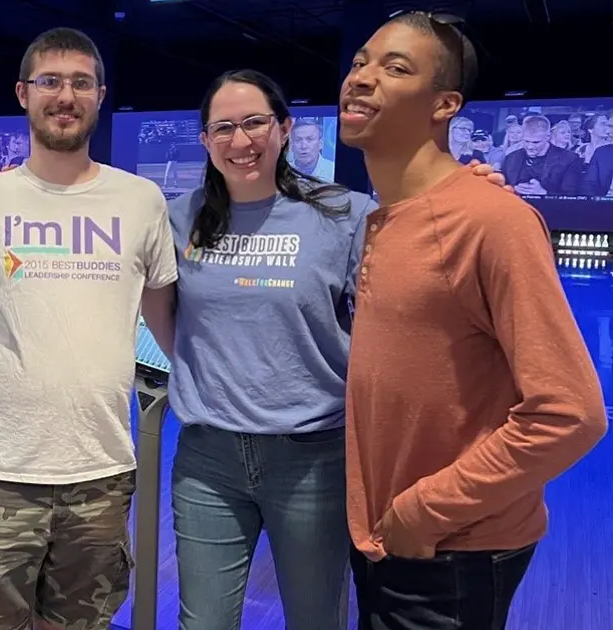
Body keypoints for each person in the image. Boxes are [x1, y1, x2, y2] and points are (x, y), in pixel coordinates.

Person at [165, 69, 509, 630]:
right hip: (208, 456)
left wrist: (475, 197)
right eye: (222, 127)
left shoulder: (345, 214)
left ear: (285, 129)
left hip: (314, 458)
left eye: (255, 122)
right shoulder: (177, 217)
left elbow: (411, 299)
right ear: (205, 140)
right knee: (201, 623)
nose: (240, 140)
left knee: (315, 619)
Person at [339, 12, 607, 629]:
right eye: (359, 62)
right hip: (391, 539)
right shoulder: (385, 219)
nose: (362, 78)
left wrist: (424, 512)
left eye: (395, 67)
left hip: (451, 549)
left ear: (445, 105)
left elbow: (571, 414)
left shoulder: (492, 220)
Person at [0, 27, 178, 630]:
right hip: (1, 472)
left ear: (101, 95)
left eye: (80, 82)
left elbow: (165, 322)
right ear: (24, 93)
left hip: (100, 470)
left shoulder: (141, 201)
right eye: (50, 81)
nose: (64, 95)